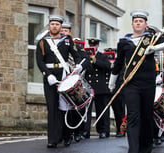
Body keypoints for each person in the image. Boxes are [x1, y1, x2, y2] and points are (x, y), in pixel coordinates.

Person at [108, 10, 164, 153]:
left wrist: (155, 48)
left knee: (146, 116)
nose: (138, 23)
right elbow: (119, 63)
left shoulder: (151, 39)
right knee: (133, 116)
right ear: (132, 24)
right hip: (131, 85)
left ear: (145, 25)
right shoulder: (124, 42)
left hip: (148, 84)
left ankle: (145, 148)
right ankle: (133, 149)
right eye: (135, 21)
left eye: (141, 21)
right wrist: (112, 82)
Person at [36, 15, 88, 148]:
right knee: (52, 107)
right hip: (49, 77)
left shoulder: (67, 41)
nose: (54, 26)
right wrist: (47, 75)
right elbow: (39, 61)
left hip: (64, 75)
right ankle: (52, 139)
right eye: (52, 24)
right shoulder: (42, 42)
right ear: (49, 26)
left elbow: (76, 56)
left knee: (65, 108)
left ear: (60, 27)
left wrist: (78, 66)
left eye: (57, 24)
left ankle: (66, 135)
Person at [84, 38, 112, 139]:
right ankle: (85, 131)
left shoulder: (103, 56)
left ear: (98, 46)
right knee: (86, 111)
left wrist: (95, 61)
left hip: (101, 87)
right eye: (91, 45)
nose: (93, 47)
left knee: (102, 110)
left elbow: (108, 67)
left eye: (95, 45)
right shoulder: (85, 56)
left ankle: (103, 130)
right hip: (89, 87)